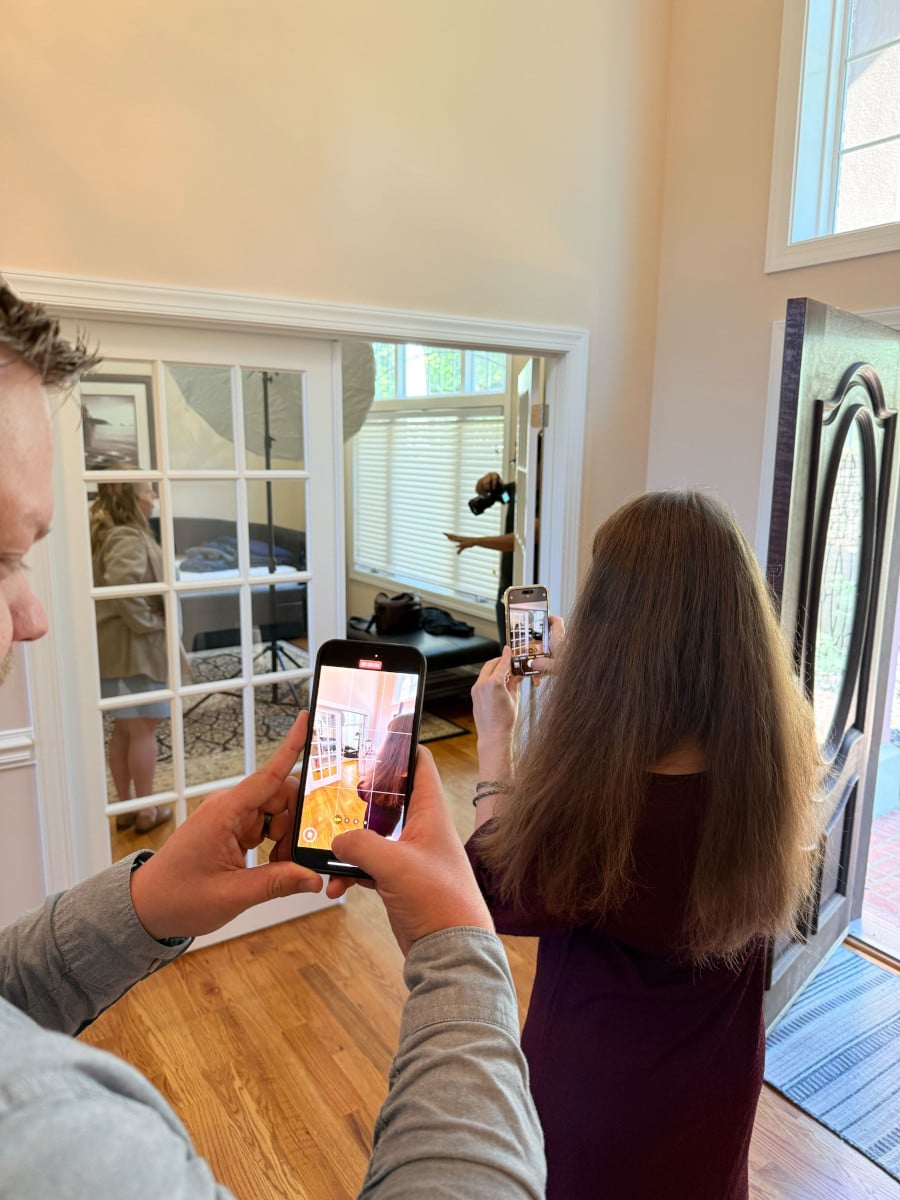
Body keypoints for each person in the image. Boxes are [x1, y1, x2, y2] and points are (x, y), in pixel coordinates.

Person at [0, 277, 545, 1198]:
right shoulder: (61, 1147)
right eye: (2, 554)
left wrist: (147, 906)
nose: (36, 613)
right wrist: (458, 942)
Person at [466, 489, 822, 1200]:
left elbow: (493, 888)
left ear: (616, 632)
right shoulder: (780, 762)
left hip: (596, 1111)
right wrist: (594, 668)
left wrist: (495, 747)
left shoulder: (599, 809)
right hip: (713, 1099)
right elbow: (718, 682)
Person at [90, 479, 177, 834]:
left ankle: (127, 807)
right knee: (142, 728)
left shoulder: (107, 531)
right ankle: (145, 810)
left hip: (116, 647)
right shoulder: (126, 534)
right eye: (149, 490)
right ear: (133, 497)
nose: (154, 497)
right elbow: (124, 586)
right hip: (134, 649)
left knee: (124, 729)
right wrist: (148, 623)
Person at [444, 471, 516, 645]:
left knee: (525, 663)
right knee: (506, 658)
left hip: (529, 593)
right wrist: (484, 484)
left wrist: (475, 541)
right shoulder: (514, 492)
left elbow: (522, 540)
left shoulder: (547, 499)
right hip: (506, 588)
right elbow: (482, 496)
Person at [357, 712, 414, 836]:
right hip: (392, 818)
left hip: (376, 820)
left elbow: (363, 793)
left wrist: (362, 770)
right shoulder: (413, 766)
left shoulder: (390, 774)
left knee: (370, 841)